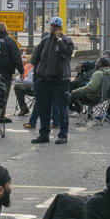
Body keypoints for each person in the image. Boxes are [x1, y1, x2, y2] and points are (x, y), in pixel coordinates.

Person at [29, 17, 74, 145]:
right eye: (52, 27)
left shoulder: (67, 41)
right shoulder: (45, 41)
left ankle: (63, 135)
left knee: (62, 109)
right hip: (43, 81)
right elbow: (35, 59)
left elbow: (66, 54)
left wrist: (59, 40)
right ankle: (44, 134)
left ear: (60, 28)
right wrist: (37, 74)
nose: (53, 29)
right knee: (43, 109)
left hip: (60, 81)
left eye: (56, 27)